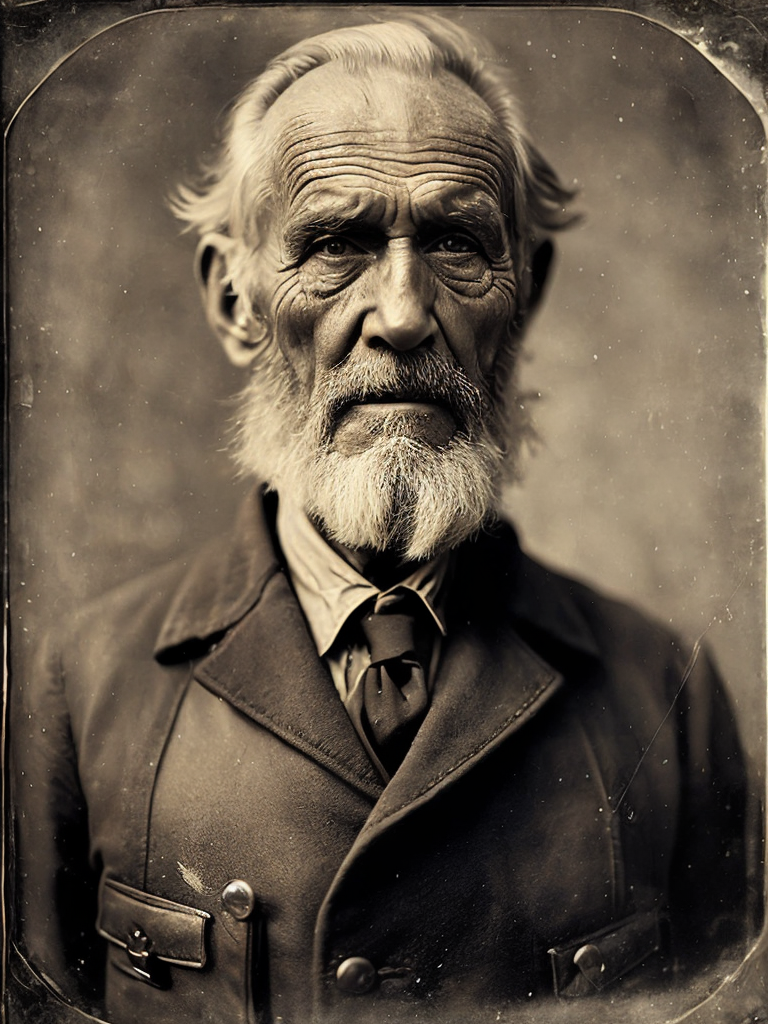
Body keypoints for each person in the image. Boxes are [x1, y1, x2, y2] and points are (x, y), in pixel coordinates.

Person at [10, 14, 752, 1024]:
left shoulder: (668, 692)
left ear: (525, 293)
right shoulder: (83, 684)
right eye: (336, 244)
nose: (402, 314)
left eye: (456, 243)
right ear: (234, 300)